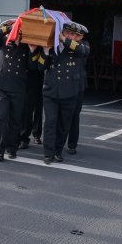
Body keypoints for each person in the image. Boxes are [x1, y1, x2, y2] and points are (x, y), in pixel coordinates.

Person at [41, 23, 87, 164]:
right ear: (62, 32)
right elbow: (41, 66)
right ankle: (48, 153)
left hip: (69, 92)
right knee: (50, 123)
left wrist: (64, 40)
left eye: (72, 34)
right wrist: (46, 52)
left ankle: (58, 151)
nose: (69, 36)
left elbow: (82, 52)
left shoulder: (77, 47)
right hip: (51, 91)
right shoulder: (52, 46)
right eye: (67, 33)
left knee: (63, 125)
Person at [0, 19, 37, 161]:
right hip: (2, 86)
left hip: (18, 87)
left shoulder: (25, 46)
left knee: (15, 120)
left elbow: (31, 66)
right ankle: (0, 149)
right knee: (1, 118)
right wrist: (8, 27)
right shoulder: (3, 42)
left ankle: (12, 148)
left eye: (18, 29)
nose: (16, 32)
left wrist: (32, 50)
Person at [66, 23, 90, 154]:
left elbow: (82, 52)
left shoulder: (83, 45)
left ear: (81, 36)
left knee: (74, 115)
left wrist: (69, 40)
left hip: (78, 85)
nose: (73, 36)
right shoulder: (66, 43)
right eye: (71, 33)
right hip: (65, 83)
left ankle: (72, 144)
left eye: (76, 34)